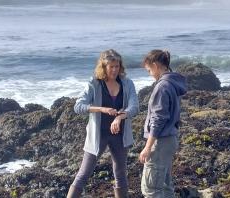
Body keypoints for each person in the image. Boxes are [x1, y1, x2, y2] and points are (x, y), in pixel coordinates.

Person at [67, 49, 139, 198]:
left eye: (117, 66)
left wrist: (120, 117)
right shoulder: (94, 83)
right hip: (98, 135)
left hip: (120, 135)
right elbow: (78, 106)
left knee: (120, 174)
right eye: (111, 66)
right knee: (84, 174)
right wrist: (100, 109)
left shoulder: (127, 83)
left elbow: (134, 107)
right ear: (103, 67)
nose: (114, 70)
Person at [139, 49, 187, 198]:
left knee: (151, 189)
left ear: (155, 65)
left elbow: (158, 119)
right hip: (169, 140)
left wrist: (148, 147)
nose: (150, 74)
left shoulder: (162, 86)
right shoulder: (172, 83)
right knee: (165, 187)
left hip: (160, 142)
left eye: (149, 70)